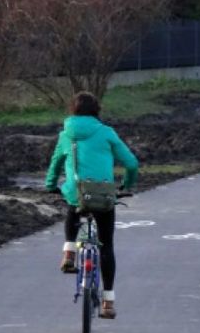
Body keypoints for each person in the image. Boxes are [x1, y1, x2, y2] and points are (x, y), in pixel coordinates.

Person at [45, 91, 139, 320]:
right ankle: (108, 301)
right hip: (104, 196)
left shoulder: (66, 135)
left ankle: (69, 252)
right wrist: (126, 184)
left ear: (73, 110)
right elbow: (131, 163)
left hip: (77, 193)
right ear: (97, 110)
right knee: (107, 246)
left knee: (73, 204)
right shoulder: (106, 133)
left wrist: (50, 185)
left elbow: (55, 163)